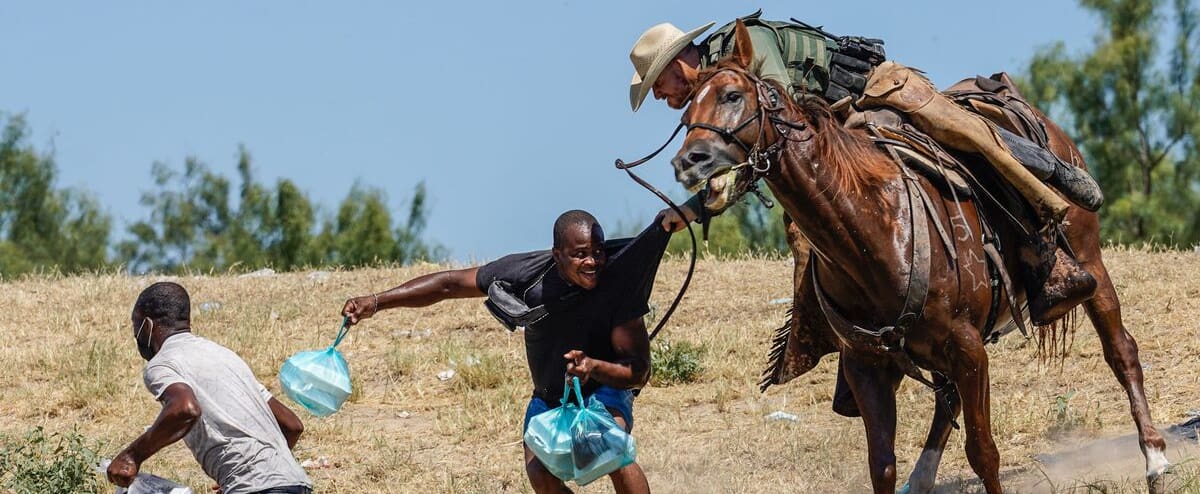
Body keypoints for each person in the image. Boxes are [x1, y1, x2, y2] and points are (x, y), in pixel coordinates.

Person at [629, 12, 1099, 341]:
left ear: (676, 65)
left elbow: (783, 123)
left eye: (657, 86)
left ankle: (1047, 218)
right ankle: (843, 335)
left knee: (966, 137)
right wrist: (694, 208)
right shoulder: (715, 92)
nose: (659, 99)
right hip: (837, 131)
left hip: (878, 92)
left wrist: (698, 204)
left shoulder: (745, 44)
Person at [342, 210, 680, 494]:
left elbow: (638, 372)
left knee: (609, 445)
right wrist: (376, 302)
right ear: (556, 254)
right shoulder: (525, 274)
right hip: (550, 395)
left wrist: (592, 367)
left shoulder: (618, 282)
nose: (592, 261)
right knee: (540, 473)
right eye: (579, 254)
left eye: (598, 251)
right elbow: (449, 284)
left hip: (605, 386)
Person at [108, 282, 312, 494]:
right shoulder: (226, 356)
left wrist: (131, 456)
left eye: (135, 326)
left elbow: (185, 409)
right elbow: (292, 425)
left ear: (147, 325)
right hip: (296, 483)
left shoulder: (163, 362)